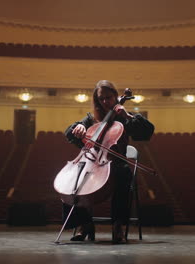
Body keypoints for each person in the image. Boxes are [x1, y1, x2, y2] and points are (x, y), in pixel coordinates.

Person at [62, 80, 154, 243]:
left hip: (116, 164)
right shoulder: (91, 119)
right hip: (93, 163)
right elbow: (69, 133)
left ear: (115, 96)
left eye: (108, 97)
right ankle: (85, 225)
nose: (105, 102)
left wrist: (127, 115)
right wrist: (78, 127)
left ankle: (118, 225)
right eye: (101, 99)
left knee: (124, 174)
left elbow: (146, 131)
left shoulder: (124, 117)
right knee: (74, 179)